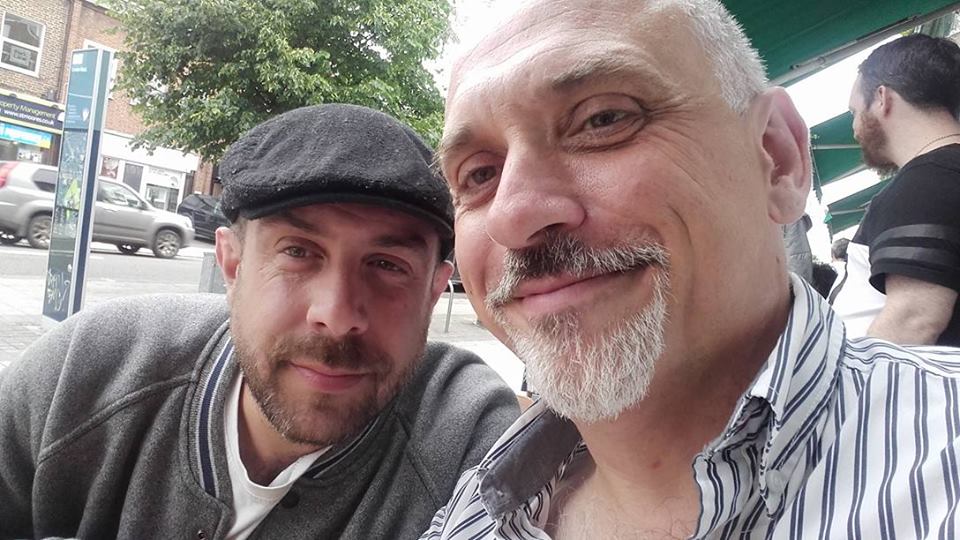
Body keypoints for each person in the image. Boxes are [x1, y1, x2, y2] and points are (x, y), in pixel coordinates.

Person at [422, 1, 960, 538]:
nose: (513, 216)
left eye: (603, 119)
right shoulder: (470, 514)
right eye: (479, 175)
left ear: (777, 158)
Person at [0, 104, 519, 539]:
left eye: (387, 265)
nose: (337, 316)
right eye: (298, 252)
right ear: (232, 264)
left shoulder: (469, 442)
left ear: (434, 290)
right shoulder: (84, 375)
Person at [830, 34, 960, 346]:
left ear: (882, 98)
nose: (854, 128)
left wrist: (856, 379)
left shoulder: (924, 183)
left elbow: (913, 321)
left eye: (854, 112)